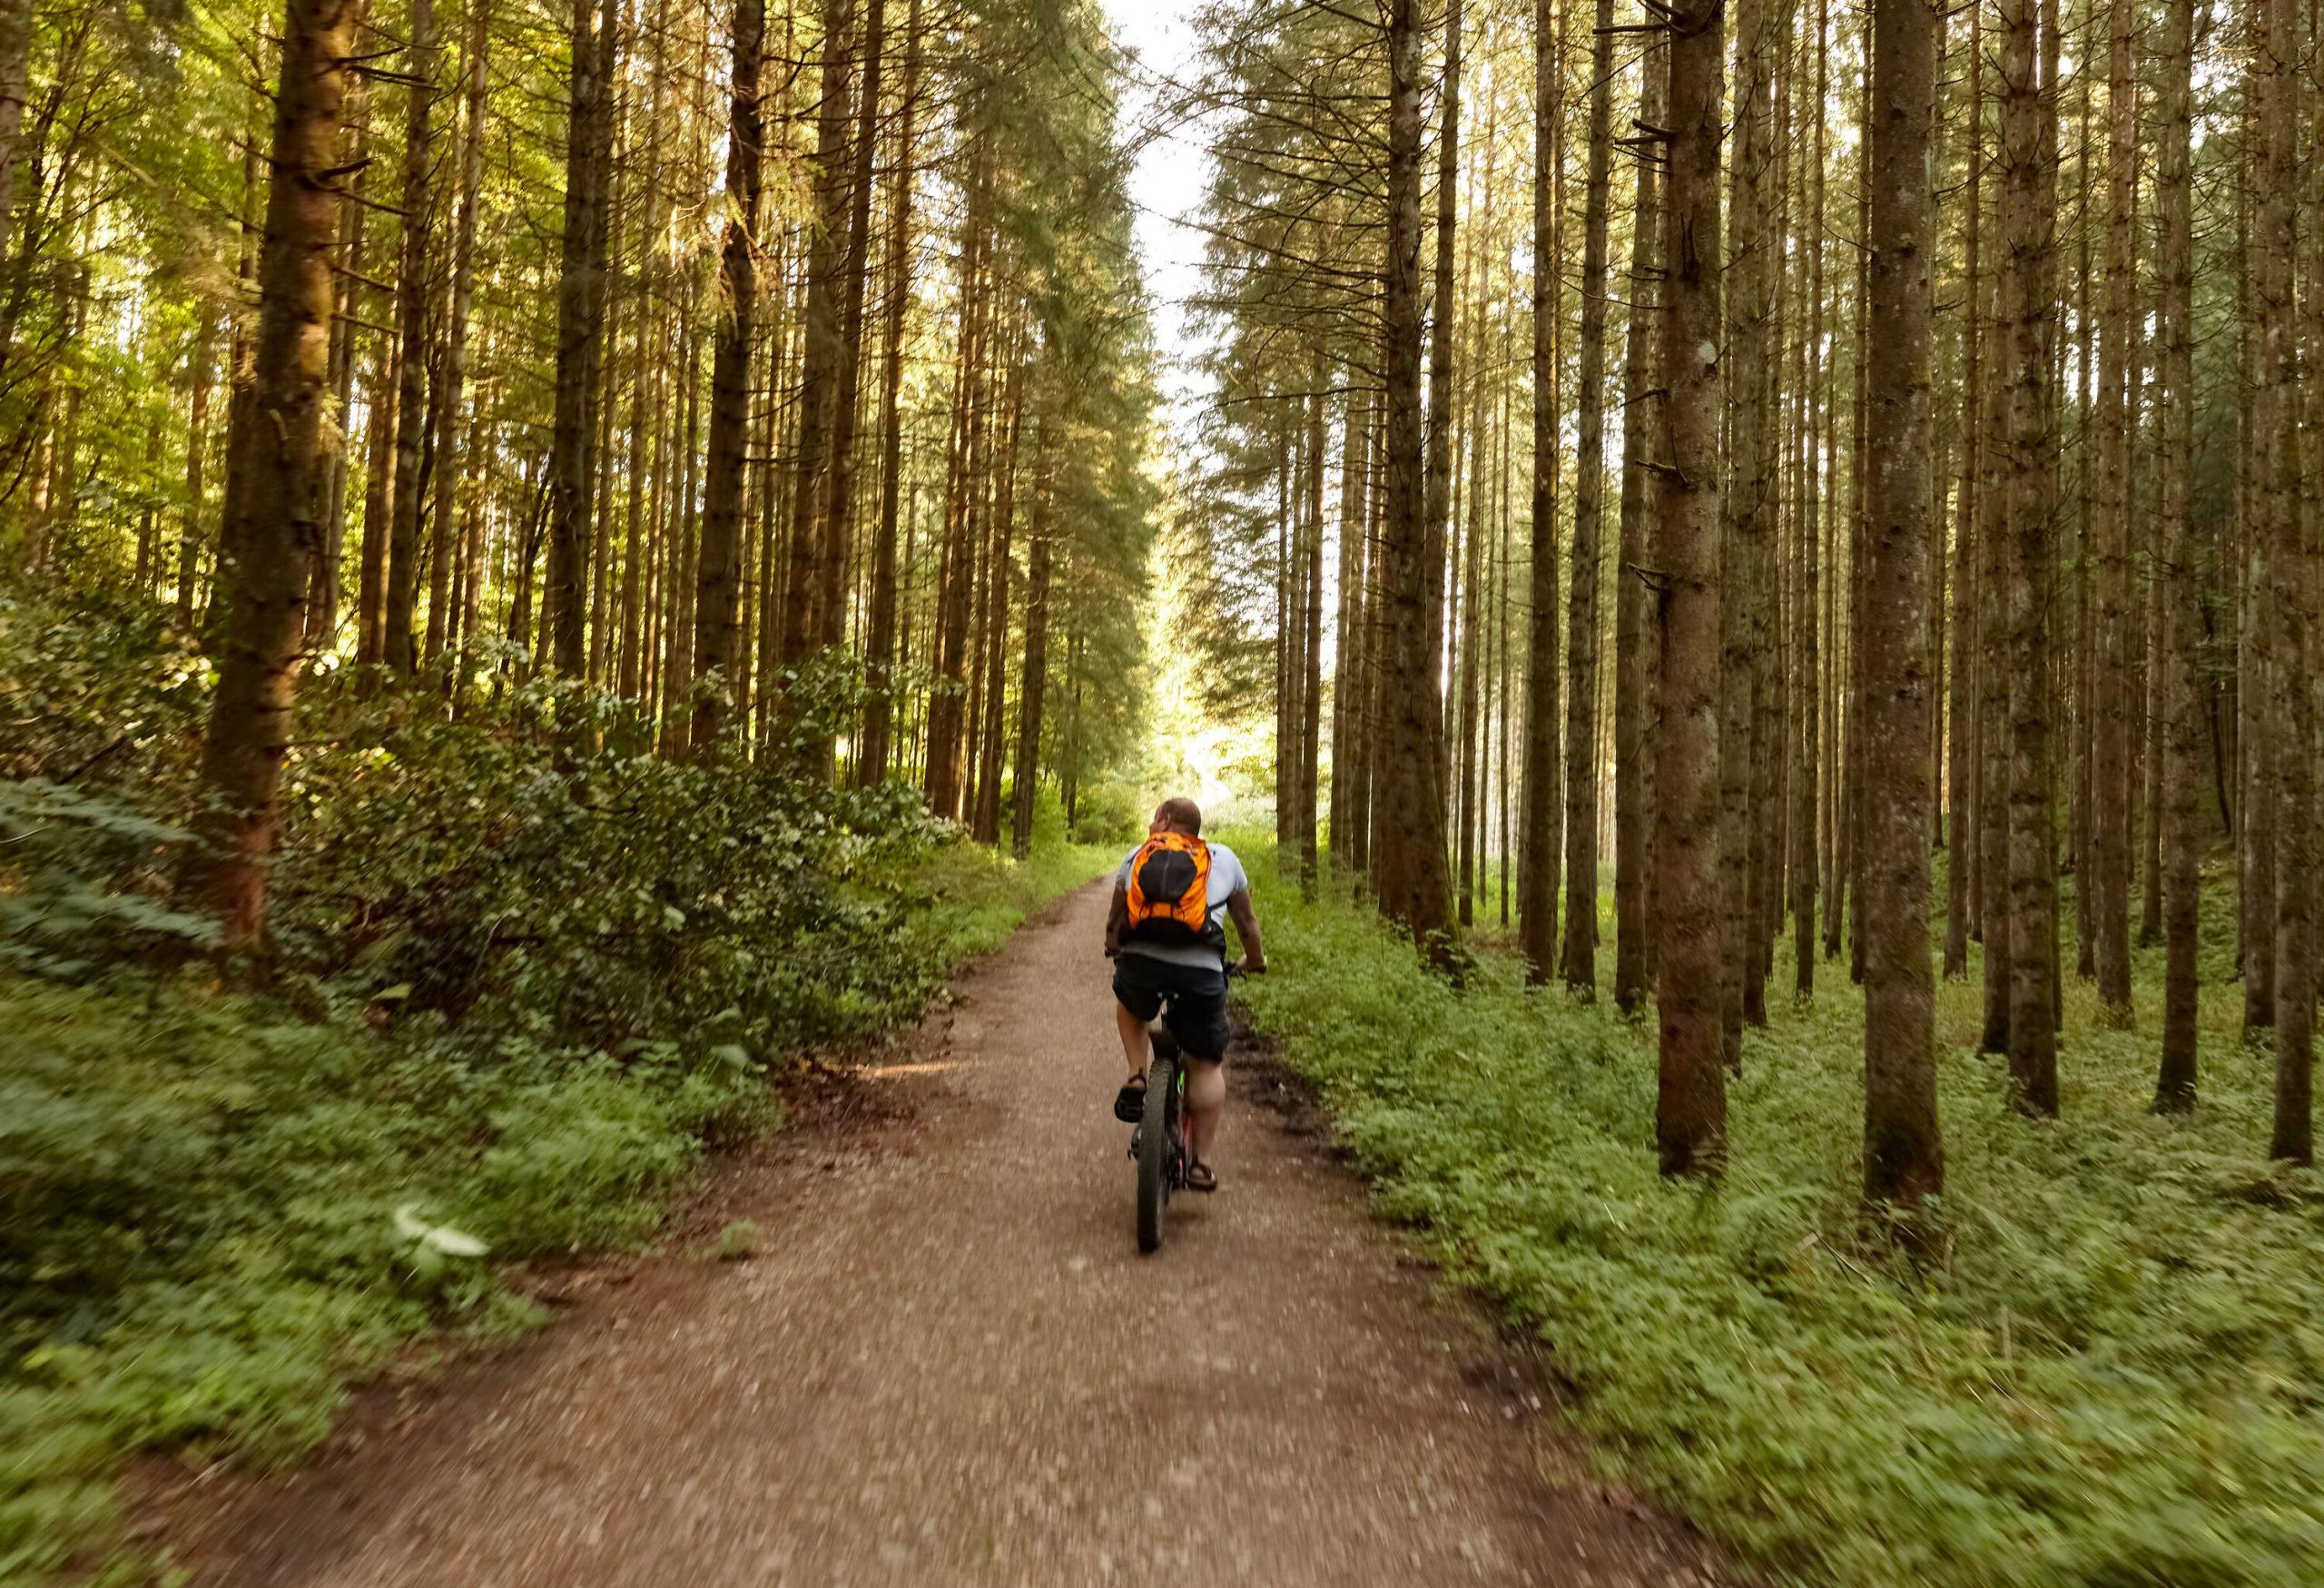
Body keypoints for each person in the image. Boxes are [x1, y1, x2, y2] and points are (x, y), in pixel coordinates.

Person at [1104, 796, 1264, 1192]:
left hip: (1141, 963)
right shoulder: (1224, 858)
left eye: (1156, 817)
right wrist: (1254, 960)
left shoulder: (1138, 853)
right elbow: (1246, 922)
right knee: (1206, 1065)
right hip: (1201, 971)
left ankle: (1138, 1076)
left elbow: (1117, 915)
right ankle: (1201, 1164)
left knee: (1130, 1007)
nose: (1152, 823)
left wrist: (1115, 948)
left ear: (1168, 819)